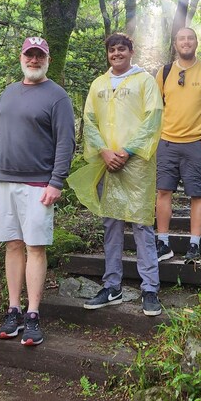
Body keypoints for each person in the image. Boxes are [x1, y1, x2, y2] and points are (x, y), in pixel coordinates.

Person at [0, 36, 75, 346]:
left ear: (47, 60)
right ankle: (13, 310)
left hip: (39, 186)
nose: (33, 60)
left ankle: (32, 315)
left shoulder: (57, 97)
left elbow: (65, 143)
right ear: (21, 57)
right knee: (13, 245)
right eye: (29, 55)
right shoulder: (8, 94)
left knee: (35, 247)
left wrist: (56, 181)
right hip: (5, 182)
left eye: (39, 56)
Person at [68, 33, 163, 316]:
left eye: (122, 49)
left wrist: (127, 151)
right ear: (107, 54)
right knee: (111, 223)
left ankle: (150, 289)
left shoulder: (144, 80)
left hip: (137, 164)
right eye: (112, 50)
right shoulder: (98, 84)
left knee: (142, 224)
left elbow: (154, 118)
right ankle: (112, 286)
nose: (117, 54)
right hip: (106, 162)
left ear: (131, 51)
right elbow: (90, 119)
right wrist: (104, 152)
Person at [155, 27, 201, 264]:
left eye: (190, 38)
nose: (186, 42)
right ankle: (163, 243)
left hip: (197, 143)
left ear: (196, 42)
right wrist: (156, 137)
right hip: (167, 142)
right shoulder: (164, 72)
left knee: (197, 194)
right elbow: (156, 108)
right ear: (175, 44)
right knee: (163, 191)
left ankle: (194, 244)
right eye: (181, 39)